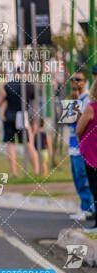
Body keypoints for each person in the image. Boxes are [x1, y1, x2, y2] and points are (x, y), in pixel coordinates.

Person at [0, 68, 39, 177]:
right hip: (23, 117)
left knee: (11, 146)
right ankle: (36, 171)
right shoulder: (30, 86)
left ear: (16, 73)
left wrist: (0, 87)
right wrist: (34, 122)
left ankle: (14, 172)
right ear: (26, 74)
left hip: (9, 117)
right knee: (29, 144)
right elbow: (33, 107)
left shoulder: (8, 86)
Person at [68, 71, 95, 221]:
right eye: (73, 79)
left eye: (78, 79)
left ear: (85, 81)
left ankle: (89, 209)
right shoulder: (73, 98)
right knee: (77, 178)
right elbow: (68, 121)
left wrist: (77, 106)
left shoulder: (87, 99)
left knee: (83, 177)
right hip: (72, 144)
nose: (75, 82)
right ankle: (84, 207)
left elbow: (83, 124)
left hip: (82, 146)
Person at [76, 79, 97, 232]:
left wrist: (81, 141)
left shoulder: (91, 108)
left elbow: (78, 129)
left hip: (92, 153)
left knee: (94, 188)